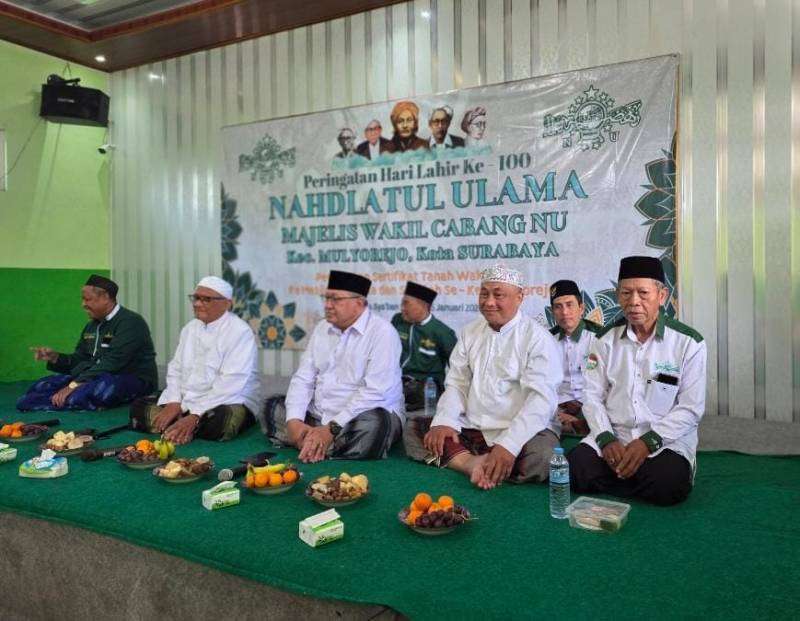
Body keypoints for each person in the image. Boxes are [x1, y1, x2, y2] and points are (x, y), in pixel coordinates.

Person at [567, 256, 707, 506]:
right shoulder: (603, 340)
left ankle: (624, 479)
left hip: (664, 439)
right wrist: (606, 439)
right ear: (618, 296)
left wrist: (647, 443)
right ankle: (632, 479)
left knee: (667, 481)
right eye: (626, 293)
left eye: (643, 293)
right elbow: (591, 396)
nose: (633, 302)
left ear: (661, 296)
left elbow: (691, 408)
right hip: (615, 435)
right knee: (576, 468)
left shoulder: (689, 343)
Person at [406, 265, 561, 489]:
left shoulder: (538, 338)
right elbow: (457, 384)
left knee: (544, 456)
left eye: (498, 295)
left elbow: (541, 400)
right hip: (473, 427)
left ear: (519, 298)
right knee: (416, 428)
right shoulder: (470, 332)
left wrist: (509, 445)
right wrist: (445, 421)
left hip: (520, 430)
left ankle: (470, 459)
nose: (489, 302)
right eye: (484, 293)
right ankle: (471, 464)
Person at [264, 270, 404, 462]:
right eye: (327, 298)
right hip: (320, 414)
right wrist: (294, 421)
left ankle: (312, 442)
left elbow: (375, 393)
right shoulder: (322, 328)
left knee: (376, 426)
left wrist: (331, 429)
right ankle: (316, 441)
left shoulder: (383, 333)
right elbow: (303, 378)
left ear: (359, 302)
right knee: (271, 405)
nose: (327, 305)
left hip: (359, 416)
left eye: (335, 299)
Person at [129, 276, 261, 445]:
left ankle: (181, 425)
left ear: (227, 303)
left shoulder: (240, 332)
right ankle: (182, 426)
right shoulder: (190, 329)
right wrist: (174, 402)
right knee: (138, 407)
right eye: (196, 298)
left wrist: (196, 414)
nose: (197, 304)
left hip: (226, 401)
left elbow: (231, 383)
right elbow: (176, 369)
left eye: (206, 299)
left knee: (222, 422)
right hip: (187, 400)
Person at [18, 274, 157, 411]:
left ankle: (66, 399)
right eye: (83, 299)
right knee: (41, 386)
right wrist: (56, 358)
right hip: (94, 377)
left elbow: (114, 362)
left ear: (105, 298)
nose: (83, 304)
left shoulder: (130, 322)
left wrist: (74, 385)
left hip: (130, 378)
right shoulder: (91, 326)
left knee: (97, 389)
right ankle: (64, 400)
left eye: (87, 299)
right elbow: (80, 360)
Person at [391, 281, 457, 411]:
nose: (402, 308)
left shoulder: (442, 332)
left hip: (427, 387)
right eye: (402, 303)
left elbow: (458, 368)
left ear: (423, 306)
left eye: (406, 304)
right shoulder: (398, 320)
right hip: (398, 380)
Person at [548, 279, 601, 436]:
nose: (564, 312)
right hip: (557, 407)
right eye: (558, 307)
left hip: (591, 404)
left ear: (581, 308)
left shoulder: (600, 338)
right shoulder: (546, 340)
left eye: (569, 305)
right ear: (553, 312)